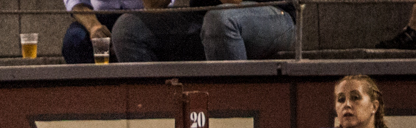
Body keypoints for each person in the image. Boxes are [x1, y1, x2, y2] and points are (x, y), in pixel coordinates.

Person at [111, 0, 296, 62]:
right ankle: (156, 116)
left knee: (220, 21)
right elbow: (152, 5)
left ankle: (234, 113)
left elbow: (232, 1)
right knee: (127, 29)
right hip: (202, 18)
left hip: (274, 14)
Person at [62, 0, 143, 64]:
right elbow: (76, 2)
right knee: (74, 39)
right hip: (98, 17)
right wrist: (93, 27)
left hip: (142, 15)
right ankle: (92, 83)